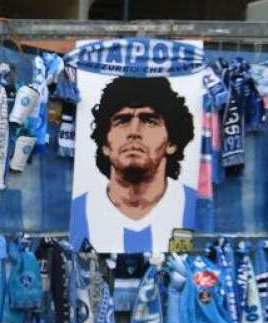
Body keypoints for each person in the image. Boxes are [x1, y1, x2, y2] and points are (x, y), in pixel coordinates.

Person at [71, 76, 197, 254]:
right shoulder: (79, 210)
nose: (134, 132)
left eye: (149, 121)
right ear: (105, 144)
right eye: (122, 121)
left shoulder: (193, 204)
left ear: (172, 142)